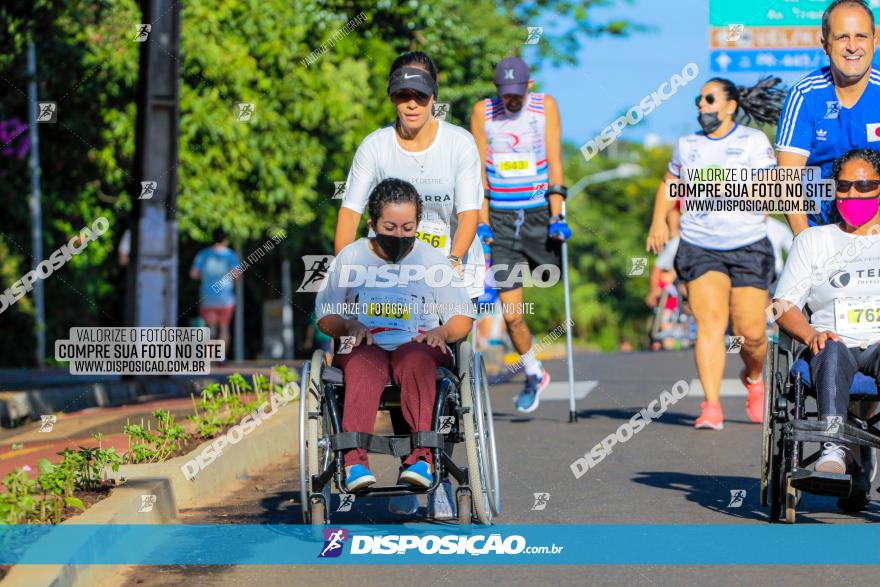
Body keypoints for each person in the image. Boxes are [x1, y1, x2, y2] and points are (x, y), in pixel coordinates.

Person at [336, 50, 484, 517]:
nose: (411, 103)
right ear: (393, 98)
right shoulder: (375, 147)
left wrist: (448, 266)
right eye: (402, 94)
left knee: (431, 365)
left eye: (419, 95)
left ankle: (435, 472)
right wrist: (347, 274)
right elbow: (349, 217)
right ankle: (400, 465)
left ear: (433, 98)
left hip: (449, 266)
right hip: (387, 268)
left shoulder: (459, 144)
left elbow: (469, 216)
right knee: (386, 354)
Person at [316, 178, 475, 492]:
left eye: (408, 227)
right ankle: (354, 462)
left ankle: (422, 459)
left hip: (419, 344)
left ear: (418, 224)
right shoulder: (352, 257)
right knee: (362, 362)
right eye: (390, 227)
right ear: (373, 223)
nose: (400, 235)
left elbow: (462, 318)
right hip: (365, 343)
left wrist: (441, 331)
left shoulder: (431, 260)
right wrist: (349, 326)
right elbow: (325, 315)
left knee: (414, 358)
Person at [646, 76, 786, 429]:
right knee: (708, 324)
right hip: (699, 245)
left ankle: (753, 378)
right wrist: (658, 222)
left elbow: (770, 189)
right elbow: (670, 183)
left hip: (748, 245)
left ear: (730, 105)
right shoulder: (687, 144)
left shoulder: (752, 142)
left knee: (751, 333)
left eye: (709, 99)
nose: (701, 105)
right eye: (698, 99)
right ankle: (711, 405)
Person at [774, 149, 880, 511]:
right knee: (829, 348)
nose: (854, 194)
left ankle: (862, 460)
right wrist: (808, 335)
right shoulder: (813, 241)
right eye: (845, 186)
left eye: (865, 186)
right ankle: (832, 448)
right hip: (833, 343)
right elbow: (784, 305)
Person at [470, 56, 570, 413]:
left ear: (529, 85)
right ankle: (533, 372)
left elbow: (556, 160)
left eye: (517, 93)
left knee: (555, 280)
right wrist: (481, 221)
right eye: (505, 93)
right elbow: (478, 171)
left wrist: (557, 213)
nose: (511, 100)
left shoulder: (546, 107)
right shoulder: (483, 112)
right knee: (511, 314)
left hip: (540, 213)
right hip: (500, 216)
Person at [776, 0, 879, 234]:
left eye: (861, 36)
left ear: (875, 40)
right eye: (842, 37)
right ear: (825, 45)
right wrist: (806, 242)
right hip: (821, 231)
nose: (852, 47)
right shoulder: (805, 96)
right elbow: (787, 181)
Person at [189, 229, 240, 351]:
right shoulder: (230, 255)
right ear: (225, 240)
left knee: (210, 328)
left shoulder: (203, 254)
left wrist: (206, 277)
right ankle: (221, 358)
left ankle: (210, 358)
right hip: (225, 298)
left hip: (208, 297)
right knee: (224, 327)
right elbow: (236, 275)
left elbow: (193, 274)